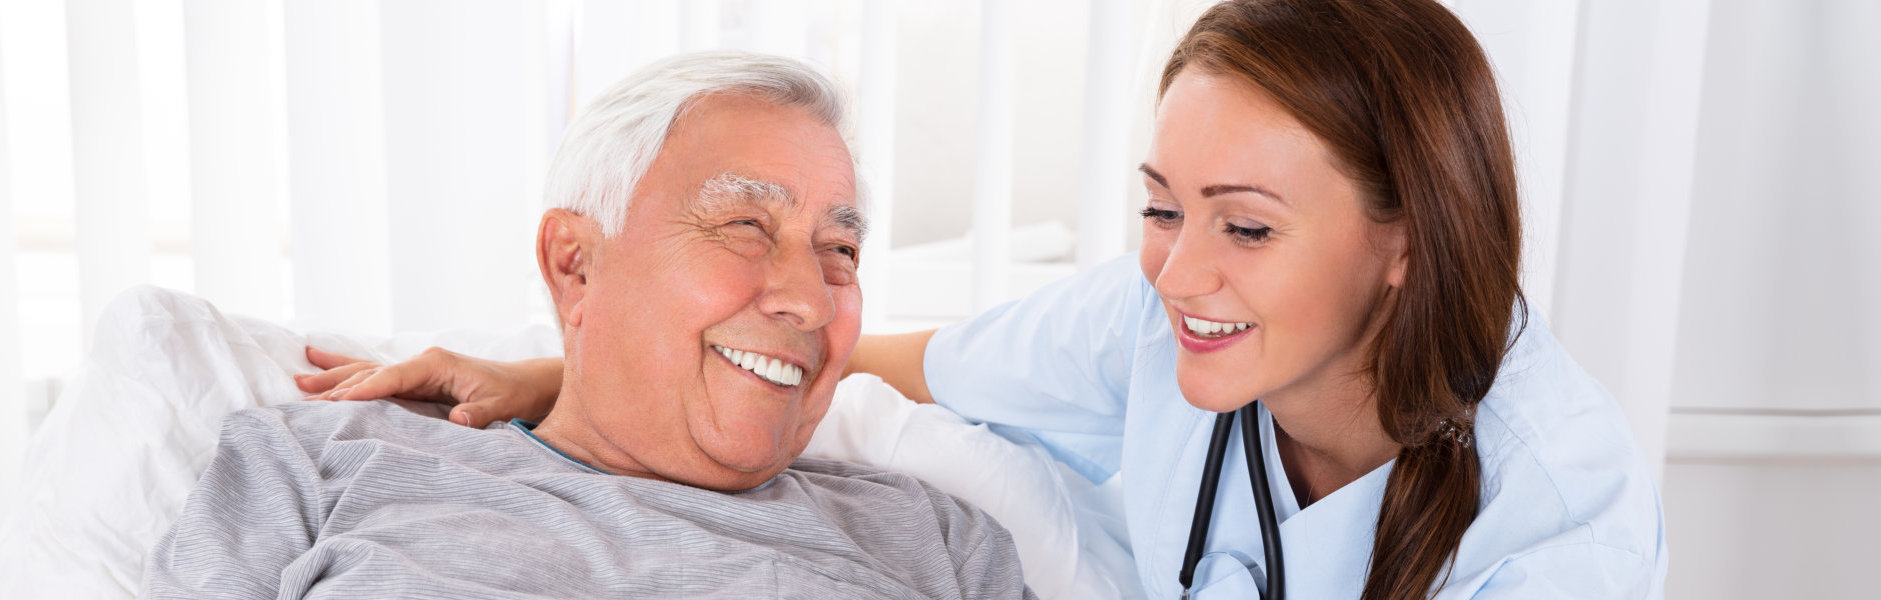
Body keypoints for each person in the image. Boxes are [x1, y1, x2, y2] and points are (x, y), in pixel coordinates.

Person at [302, 1, 1666, 597]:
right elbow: (863, 361)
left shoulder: (1558, 511)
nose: (1180, 274)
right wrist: (572, 371)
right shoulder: (1147, 325)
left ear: (1402, 242)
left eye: (1246, 226)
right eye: (1159, 208)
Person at [146, 51, 1034, 599]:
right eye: (744, 227)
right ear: (575, 263)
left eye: (839, 249)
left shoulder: (936, 541)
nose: (809, 297)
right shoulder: (317, 464)